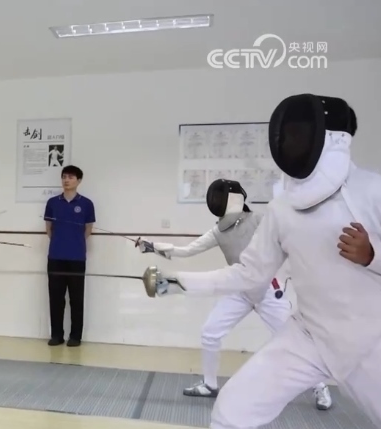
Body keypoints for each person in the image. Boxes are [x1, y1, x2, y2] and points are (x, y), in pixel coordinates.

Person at [147, 94, 381, 428]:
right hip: (309, 336)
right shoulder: (281, 209)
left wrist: (372, 254)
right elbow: (249, 273)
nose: (290, 142)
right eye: (288, 135)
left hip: (370, 341)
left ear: (331, 138)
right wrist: (175, 282)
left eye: (299, 133)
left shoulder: (372, 191)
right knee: (231, 412)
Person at [135, 178, 331, 409]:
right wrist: (152, 246)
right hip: (239, 290)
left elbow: (287, 242)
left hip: (268, 291)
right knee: (210, 332)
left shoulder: (259, 220)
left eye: (220, 197)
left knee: (294, 340)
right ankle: (209, 385)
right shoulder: (219, 231)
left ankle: (320, 387)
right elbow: (187, 251)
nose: (216, 201)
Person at [43, 165, 95, 347]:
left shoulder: (86, 204)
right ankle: (56, 335)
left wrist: (74, 243)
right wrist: (61, 242)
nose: (66, 180)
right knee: (56, 298)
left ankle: (75, 336)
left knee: (76, 299)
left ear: (79, 181)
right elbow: (49, 229)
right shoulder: (52, 203)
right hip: (55, 257)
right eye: (64, 177)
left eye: (71, 177)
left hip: (77, 258)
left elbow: (88, 230)